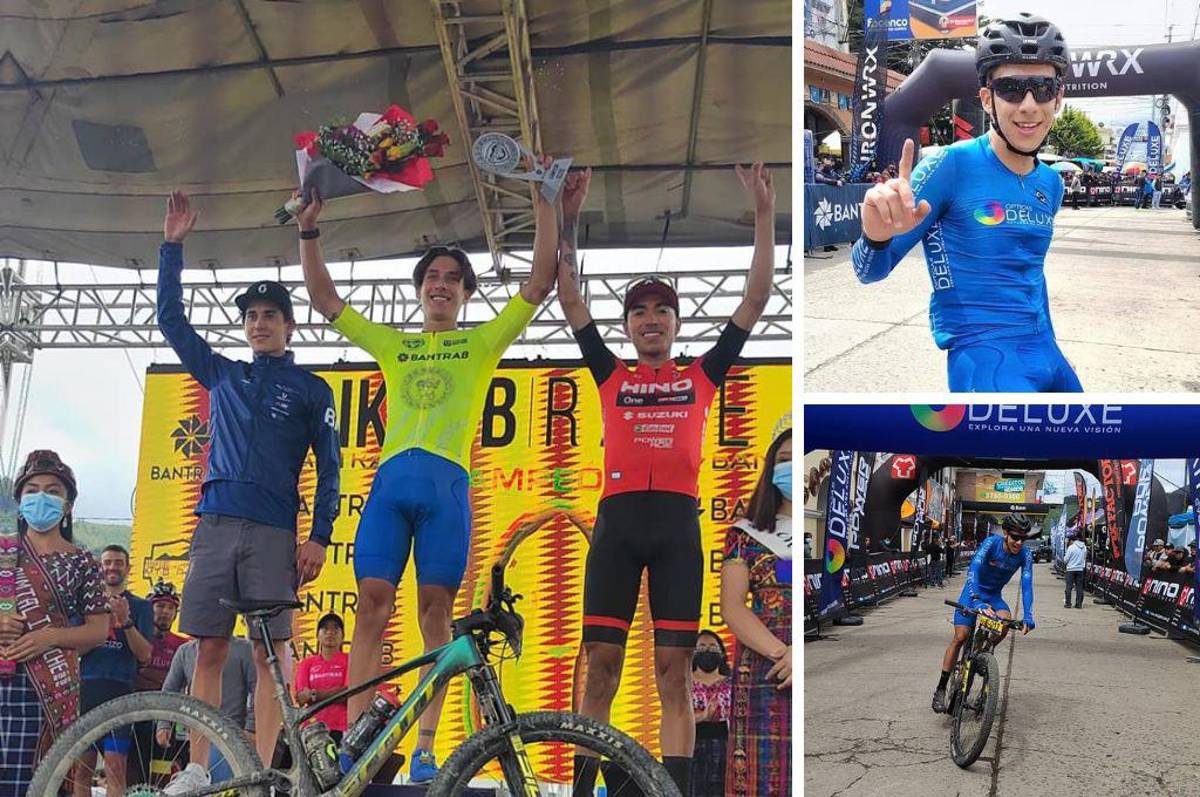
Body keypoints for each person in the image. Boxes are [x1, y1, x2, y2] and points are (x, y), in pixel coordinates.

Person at [294, 160, 557, 783]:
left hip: (446, 489)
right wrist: (308, 230)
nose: (441, 285)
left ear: (467, 293)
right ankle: (356, 742)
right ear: (419, 290)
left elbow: (540, 281)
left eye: (452, 279)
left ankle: (427, 748)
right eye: (432, 277)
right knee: (370, 606)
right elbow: (325, 300)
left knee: (436, 616)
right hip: (391, 487)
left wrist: (546, 201)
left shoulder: (482, 342)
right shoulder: (394, 343)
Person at [558, 161, 774, 797]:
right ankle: (583, 791)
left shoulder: (701, 374)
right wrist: (568, 216)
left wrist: (764, 213)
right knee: (601, 668)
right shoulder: (610, 374)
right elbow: (569, 297)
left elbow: (755, 300)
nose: (650, 319)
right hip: (618, 529)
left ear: (677, 323)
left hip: (678, 529)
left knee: (673, 672)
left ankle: (674, 790)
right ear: (627, 325)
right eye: (639, 312)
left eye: (661, 310)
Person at [157, 192, 340, 793]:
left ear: (289, 325)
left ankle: (260, 771)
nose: (259, 323)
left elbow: (331, 469)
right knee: (208, 649)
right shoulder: (223, 373)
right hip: (215, 524)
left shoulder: (312, 389)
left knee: (269, 655)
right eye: (252, 316)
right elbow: (171, 323)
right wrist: (172, 247)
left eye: (270, 315)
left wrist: (318, 537)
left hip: (272, 531)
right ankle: (195, 767)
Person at [850, 13, 1081, 392]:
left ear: (1058, 98)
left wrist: (1053, 348)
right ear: (987, 99)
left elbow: (1032, 275)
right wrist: (876, 236)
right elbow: (867, 272)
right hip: (985, 360)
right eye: (1011, 89)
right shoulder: (950, 165)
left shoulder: (1051, 183)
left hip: (1045, 351)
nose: (1028, 105)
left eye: (1042, 88)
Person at [0, 452, 110, 797]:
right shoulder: (3, 552)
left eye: (52, 491)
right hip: (3, 679)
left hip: (50, 690)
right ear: (20, 502)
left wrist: (50, 637)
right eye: (32, 490)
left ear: (67, 505)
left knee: (40, 781)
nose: (41, 497)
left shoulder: (83, 562)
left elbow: (98, 630)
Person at [720, 428, 792, 797]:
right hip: (766, 668)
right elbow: (733, 607)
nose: (790, 467)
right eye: (783, 460)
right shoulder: (745, 534)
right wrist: (784, 654)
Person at [932, 513, 1037, 713]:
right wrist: (976, 600)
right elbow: (973, 569)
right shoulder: (991, 543)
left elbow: (1027, 586)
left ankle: (984, 653)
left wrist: (1029, 616)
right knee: (961, 637)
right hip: (973, 593)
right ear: (1005, 533)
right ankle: (941, 687)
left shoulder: (1025, 554)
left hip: (994, 597)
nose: (1019, 542)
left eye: (1023, 538)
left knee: (1005, 622)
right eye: (1015, 537)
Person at [74, 545, 154, 797]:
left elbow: (145, 655)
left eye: (118, 562)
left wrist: (125, 621)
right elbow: (75, 651)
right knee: (82, 769)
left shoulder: (141, 606)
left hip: (120, 690)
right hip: (87, 689)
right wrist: (100, 628)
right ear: (100, 567)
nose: (112, 567)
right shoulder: (86, 605)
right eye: (107, 562)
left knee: (115, 768)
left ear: (128, 568)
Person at [157, 635, 257, 784]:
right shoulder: (185, 651)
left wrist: (251, 728)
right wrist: (163, 724)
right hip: (196, 734)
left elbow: (257, 688)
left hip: (230, 735)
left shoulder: (243, 649)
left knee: (214, 782)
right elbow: (169, 691)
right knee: (199, 781)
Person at [130, 581, 189, 787]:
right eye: (160, 606)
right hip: (137, 713)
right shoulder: (137, 638)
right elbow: (133, 676)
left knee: (162, 775)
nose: (165, 612)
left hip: (168, 716)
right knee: (134, 772)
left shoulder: (183, 644)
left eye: (171, 607)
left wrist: (149, 675)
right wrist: (162, 680)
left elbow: (182, 682)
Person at [294, 613, 350, 742]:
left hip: (340, 727)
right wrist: (334, 694)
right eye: (325, 628)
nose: (330, 633)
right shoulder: (307, 663)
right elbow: (301, 697)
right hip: (312, 728)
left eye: (335, 629)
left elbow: (348, 693)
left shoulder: (350, 660)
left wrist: (314, 695)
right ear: (317, 635)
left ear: (343, 636)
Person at [690, 630, 732, 797]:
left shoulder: (734, 682)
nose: (707, 650)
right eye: (701, 647)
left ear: (722, 653)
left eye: (713, 647)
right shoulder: (683, 682)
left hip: (727, 749)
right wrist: (703, 716)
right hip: (693, 748)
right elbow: (675, 718)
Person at [1063, 531, 1087, 609]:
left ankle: (1068, 603)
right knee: (1079, 587)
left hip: (1070, 569)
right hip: (1080, 569)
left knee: (1069, 587)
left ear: (1073, 540)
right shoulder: (1084, 547)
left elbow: (1065, 559)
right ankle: (1078, 604)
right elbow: (1084, 558)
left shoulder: (1071, 547)